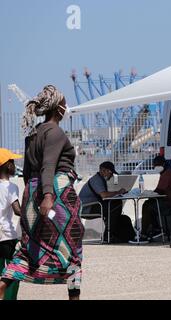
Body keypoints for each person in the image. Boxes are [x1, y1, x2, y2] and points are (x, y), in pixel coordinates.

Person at [0, 85, 84, 300]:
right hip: (57, 196)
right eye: (65, 104)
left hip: (33, 194)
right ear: (58, 108)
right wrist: (48, 196)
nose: (66, 108)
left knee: (29, 248)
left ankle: (3, 284)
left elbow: (28, 174)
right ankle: (74, 296)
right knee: (72, 248)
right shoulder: (55, 132)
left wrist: (34, 198)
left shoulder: (33, 133)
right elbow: (49, 165)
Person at [79, 161, 127, 243]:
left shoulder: (100, 179)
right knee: (115, 205)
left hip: (92, 205)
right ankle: (108, 236)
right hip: (86, 208)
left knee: (114, 206)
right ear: (103, 170)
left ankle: (112, 234)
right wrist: (118, 192)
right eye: (110, 172)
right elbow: (104, 195)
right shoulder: (96, 180)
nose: (111, 175)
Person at [0, 148, 22, 300]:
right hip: (6, 235)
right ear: (8, 166)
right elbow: (17, 211)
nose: (15, 166)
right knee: (16, 269)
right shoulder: (10, 186)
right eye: (13, 162)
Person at [141, 155, 171, 240]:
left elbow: (160, 191)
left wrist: (149, 193)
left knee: (147, 206)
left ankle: (144, 234)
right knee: (149, 204)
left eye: (158, 164)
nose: (156, 166)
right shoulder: (166, 173)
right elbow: (160, 190)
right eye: (155, 164)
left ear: (164, 164)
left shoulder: (167, 174)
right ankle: (156, 229)